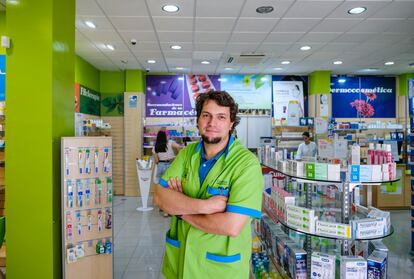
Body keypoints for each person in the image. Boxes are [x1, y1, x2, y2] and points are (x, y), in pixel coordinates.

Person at [154, 91, 263, 279]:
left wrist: (180, 211)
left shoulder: (246, 164)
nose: (212, 123)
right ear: (198, 120)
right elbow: (159, 196)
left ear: (231, 124)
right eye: (206, 115)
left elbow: (231, 226)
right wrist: (205, 206)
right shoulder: (187, 154)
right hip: (180, 264)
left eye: (221, 117)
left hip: (218, 269)